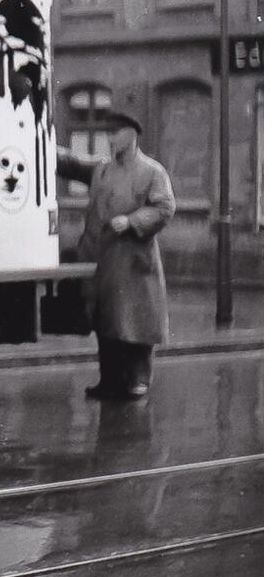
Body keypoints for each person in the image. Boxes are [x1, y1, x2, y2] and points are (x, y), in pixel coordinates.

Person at [57, 112, 176, 400]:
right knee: (107, 322)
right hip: (104, 258)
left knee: (136, 323)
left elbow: (165, 207)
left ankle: (139, 379)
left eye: (116, 132)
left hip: (134, 261)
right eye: (108, 132)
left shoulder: (152, 172)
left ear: (132, 135)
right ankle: (109, 379)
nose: (110, 138)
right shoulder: (102, 170)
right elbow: (72, 164)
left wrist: (133, 220)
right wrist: (41, 140)